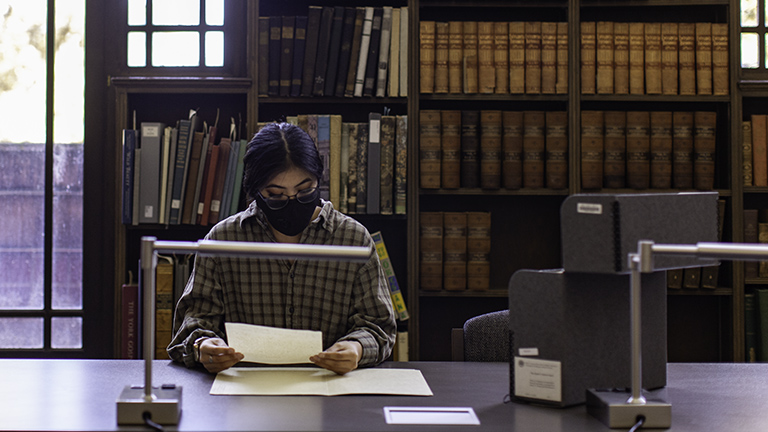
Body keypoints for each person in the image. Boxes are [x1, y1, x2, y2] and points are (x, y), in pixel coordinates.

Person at [167, 122, 396, 374]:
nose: (292, 202)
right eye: (276, 194)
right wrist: (204, 346)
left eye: (305, 191)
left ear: (318, 181)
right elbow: (192, 323)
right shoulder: (223, 240)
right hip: (244, 392)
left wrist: (356, 348)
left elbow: (380, 325)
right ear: (255, 191)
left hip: (330, 391)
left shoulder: (352, 239)